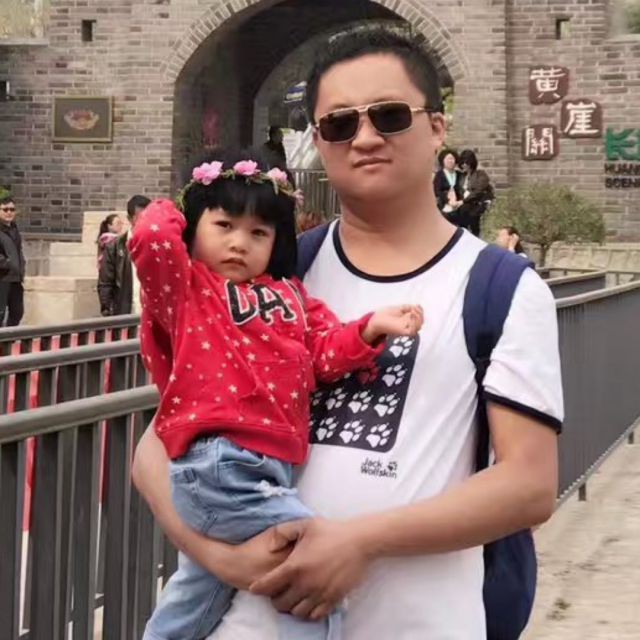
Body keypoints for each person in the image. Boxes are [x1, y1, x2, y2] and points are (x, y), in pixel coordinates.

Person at [132, 28, 563, 640]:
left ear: (437, 127)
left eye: (389, 116)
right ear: (318, 141)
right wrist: (224, 561)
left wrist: (359, 542)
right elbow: (156, 450)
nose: (364, 137)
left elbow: (528, 486)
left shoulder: (500, 286)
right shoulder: (275, 274)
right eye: (338, 124)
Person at [129, 152, 423, 640]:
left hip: (266, 470)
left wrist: (371, 327)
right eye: (223, 225)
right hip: (221, 466)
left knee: (197, 594)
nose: (239, 242)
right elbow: (150, 238)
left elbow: (324, 354)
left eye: (258, 233)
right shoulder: (188, 290)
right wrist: (189, 197)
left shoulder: (293, 296)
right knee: (311, 562)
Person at [97, 195, 149, 316]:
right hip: (125, 315)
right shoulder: (114, 247)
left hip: (151, 318)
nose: (147, 222)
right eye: (141, 217)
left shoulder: (158, 246)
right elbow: (105, 284)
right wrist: (109, 314)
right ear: (130, 219)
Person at [455, 148, 494, 237]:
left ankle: (474, 235)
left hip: (477, 202)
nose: (464, 165)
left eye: (467, 163)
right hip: (465, 204)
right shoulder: (462, 176)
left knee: (470, 214)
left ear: (472, 163)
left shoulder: (480, 174)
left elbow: (478, 191)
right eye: (462, 163)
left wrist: (463, 201)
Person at [0, 195, 25, 326]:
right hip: (2, 278)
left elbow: (18, 251)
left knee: (17, 312)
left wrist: (21, 266)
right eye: (5, 209)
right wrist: (8, 264)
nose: (9, 212)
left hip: (15, 278)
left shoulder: (14, 229)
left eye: (12, 209)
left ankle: (8, 336)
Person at [433, 148, 464, 216]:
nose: (450, 161)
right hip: (444, 205)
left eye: (452, 159)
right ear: (442, 161)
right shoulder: (439, 175)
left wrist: (459, 202)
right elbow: (437, 191)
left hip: (459, 205)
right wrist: (448, 200)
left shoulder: (460, 174)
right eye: (447, 159)